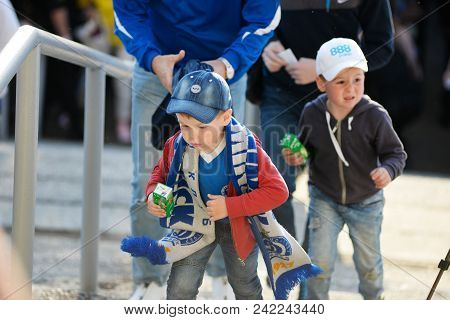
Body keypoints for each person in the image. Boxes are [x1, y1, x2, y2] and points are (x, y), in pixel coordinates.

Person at [113, 0, 281, 299]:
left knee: (228, 179)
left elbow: (264, 18)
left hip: (224, 72)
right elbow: (126, 11)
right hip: (160, 69)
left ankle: (226, 277)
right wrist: (152, 58)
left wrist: (228, 63)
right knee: (147, 177)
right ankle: (150, 279)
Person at [144, 70, 289, 299]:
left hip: (238, 224)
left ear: (225, 117)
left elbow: (278, 191)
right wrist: (153, 195)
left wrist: (231, 207)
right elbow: (160, 176)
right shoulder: (177, 145)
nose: (193, 137)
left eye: (202, 127)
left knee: (244, 285)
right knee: (181, 285)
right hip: (193, 222)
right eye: (185, 126)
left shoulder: (248, 148)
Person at [259, 0, 394, 244]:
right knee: (275, 182)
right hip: (280, 94)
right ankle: (287, 267)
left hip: (336, 103)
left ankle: (310, 277)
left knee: (324, 191)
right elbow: (252, 21)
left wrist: (325, 69)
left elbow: (382, 45)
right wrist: (266, 43)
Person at [282, 38, 407, 299]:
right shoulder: (311, 112)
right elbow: (305, 153)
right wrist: (296, 157)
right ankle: (315, 307)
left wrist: (388, 170)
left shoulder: (375, 115)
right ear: (320, 83)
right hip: (324, 197)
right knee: (321, 263)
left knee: (368, 264)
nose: (351, 89)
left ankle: (374, 300)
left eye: (358, 79)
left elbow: (396, 154)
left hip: (367, 201)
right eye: (340, 82)